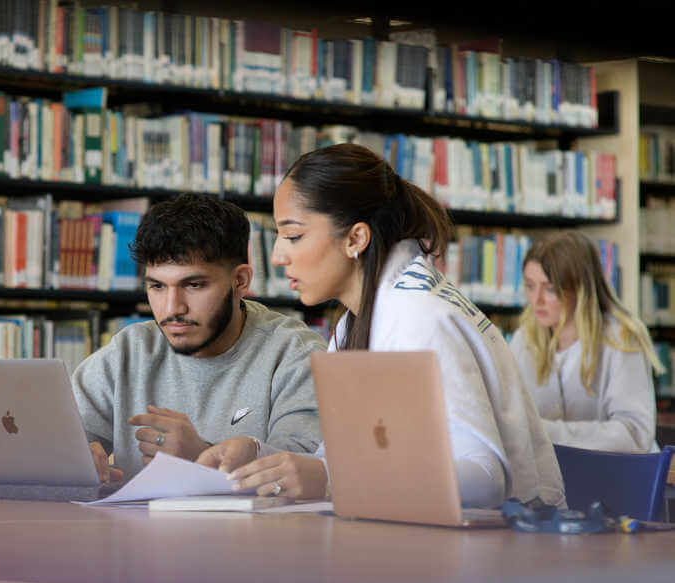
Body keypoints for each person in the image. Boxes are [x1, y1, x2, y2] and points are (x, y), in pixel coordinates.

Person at [197, 143, 566, 509]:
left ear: (356, 238)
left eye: (293, 236)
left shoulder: (418, 316)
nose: (277, 256)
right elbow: (348, 460)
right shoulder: (353, 324)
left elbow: (484, 481)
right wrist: (260, 457)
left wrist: (332, 481)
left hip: (504, 549)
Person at [72, 192, 327, 482]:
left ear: (240, 281)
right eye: (157, 286)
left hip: (252, 528)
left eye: (193, 285)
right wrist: (75, 456)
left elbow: (299, 476)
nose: (172, 309)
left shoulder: (296, 355)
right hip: (134, 527)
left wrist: (201, 456)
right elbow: (59, 436)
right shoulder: (128, 351)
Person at [509, 230, 661, 452]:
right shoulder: (524, 339)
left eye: (550, 289)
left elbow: (635, 434)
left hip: (620, 477)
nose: (537, 300)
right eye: (530, 286)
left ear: (581, 290)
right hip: (556, 475)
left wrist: (543, 432)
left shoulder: (622, 339)